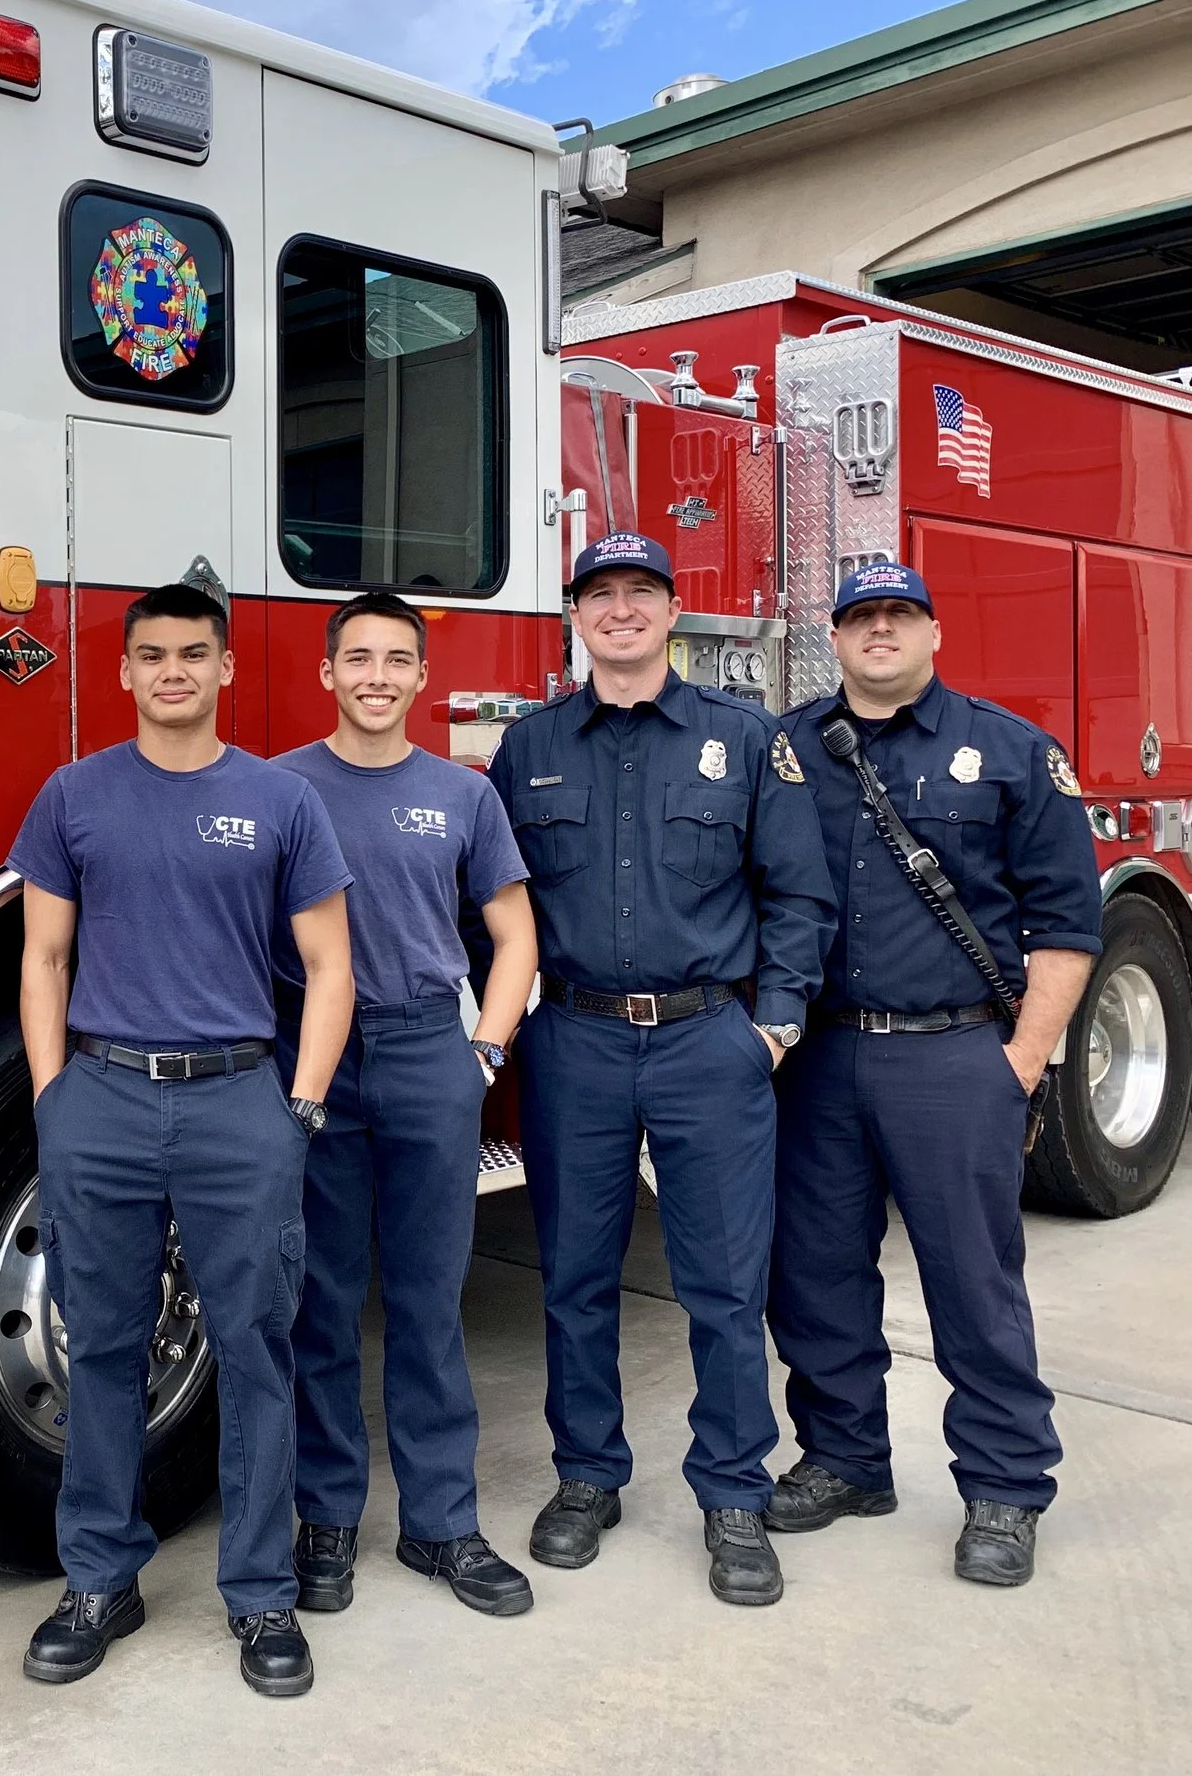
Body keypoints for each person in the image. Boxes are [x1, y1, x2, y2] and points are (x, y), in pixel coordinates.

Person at [10, 581, 355, 1698]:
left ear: (225, 668)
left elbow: (331, 968)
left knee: (255, 1350)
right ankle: (99, 1579)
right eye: (152, 654)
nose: (172, 671)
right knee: (102, 1347)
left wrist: (299, 1109)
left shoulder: (280, 801)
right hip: (103, 1099)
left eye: (193, 653)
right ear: (123, 671)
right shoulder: (73, 795)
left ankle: (259, 1595)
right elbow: (43, 959)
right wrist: (55, 1099)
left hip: (237, 1101)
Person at [486, 531, 835, 1607]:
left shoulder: (745, 738)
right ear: (576, 616)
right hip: (575, 1040)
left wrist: (772, 1028)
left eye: (642, 591)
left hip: (707, 1041)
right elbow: (488, 901)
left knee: (723, 1286)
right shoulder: (528, 747)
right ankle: (587, 1476)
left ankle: (732, 1493)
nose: (622, 610)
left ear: (674, 612)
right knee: (575, 1276)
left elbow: (799, 895)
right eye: (601, 594)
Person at [767, 563, 1099, 1587]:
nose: (880, 631)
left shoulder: (1009, 751)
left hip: (954, 1056)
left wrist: (1020, 1062)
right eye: (861, 617)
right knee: (815, 1273)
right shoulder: (787, 750)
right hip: (820, 1055)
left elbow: (1066, 924)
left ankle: (1004, 1486)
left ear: (932, 632)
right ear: (835, 637)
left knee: (971, 1279)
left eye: (899, 615)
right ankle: (844, 1458)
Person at [271, 592, 540, 1619]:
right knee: (323, 1301)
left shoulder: (462, 795)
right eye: (358, 658)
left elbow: (514, 936)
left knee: (429, 1301)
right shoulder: (279, 787)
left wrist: (485, 1052)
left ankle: (441, 1523)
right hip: (318, 1058)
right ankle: (327, 1520)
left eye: (396, 660)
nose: (377, 677)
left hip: (430, 1052)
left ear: (424, 678)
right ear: (326, 672)